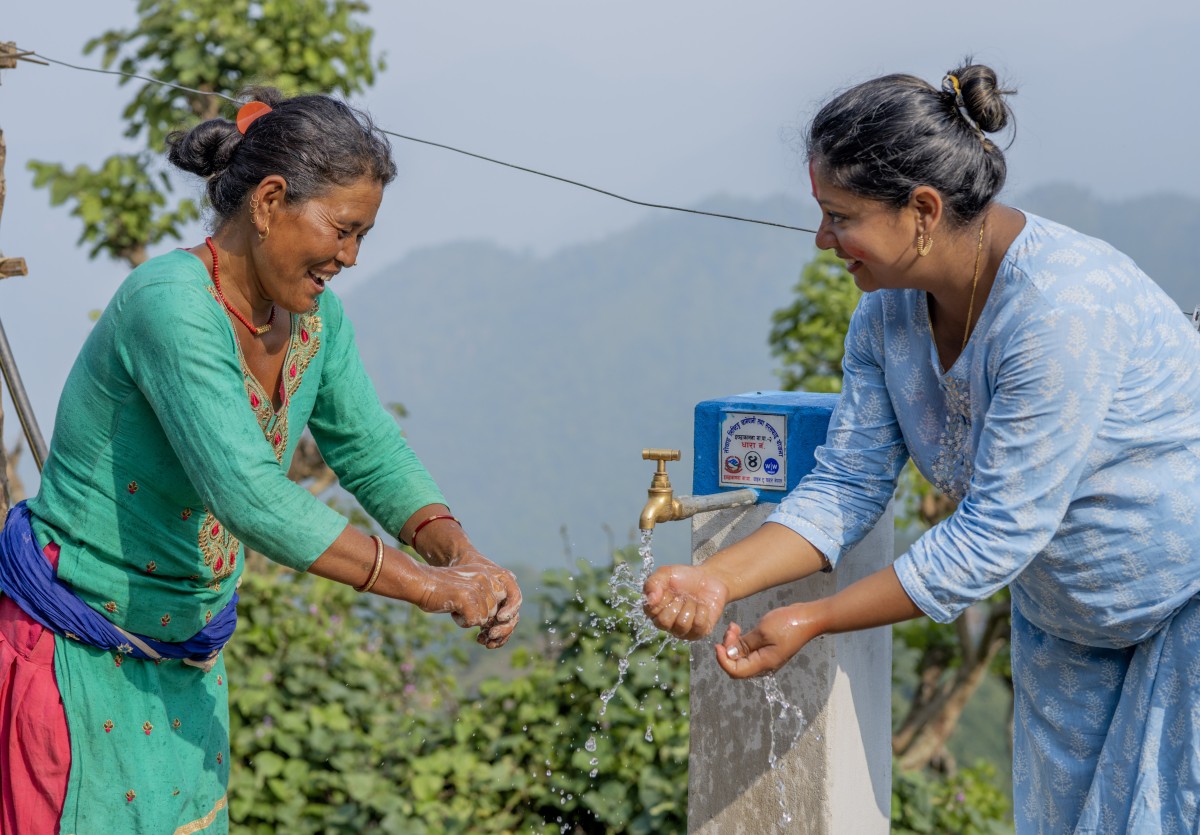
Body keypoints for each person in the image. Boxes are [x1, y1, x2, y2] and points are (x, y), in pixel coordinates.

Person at [644, 61, 1200, 834]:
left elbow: (993, 534)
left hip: (1185, 607)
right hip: (1070, 624)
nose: (822, 240)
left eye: (841, 216)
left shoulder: (1061, 312)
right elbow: (846, 482)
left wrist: (817, 616)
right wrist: (715, 582)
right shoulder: (886, 318)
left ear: (923, 210)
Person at [0, 89, 522, 834]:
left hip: (185, 659)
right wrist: (431, 587)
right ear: (271, 201)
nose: (348, 258)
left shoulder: (316, 320)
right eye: (342, 230)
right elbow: (250, 496)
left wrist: (464, 556)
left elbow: (370, 449)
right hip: (76, 658)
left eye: (362, 237)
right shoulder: (171, 305)